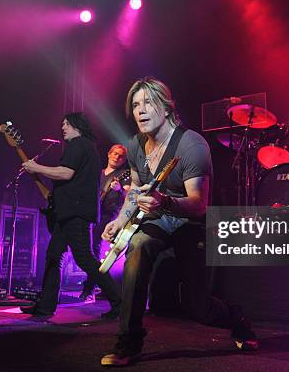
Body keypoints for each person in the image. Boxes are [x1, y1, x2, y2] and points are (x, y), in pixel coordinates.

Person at [100, 77, 259, 366]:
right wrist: (121, 221)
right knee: (138, 246)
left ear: (167, 106)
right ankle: (129, 343)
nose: (140, 110)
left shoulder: (191, 145)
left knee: (197, 308)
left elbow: (199, 204)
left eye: (148, 102)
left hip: (188, 220)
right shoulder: (135, 145)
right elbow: (135, 191)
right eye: (136, 105)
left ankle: (237, 319)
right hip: (156, 220)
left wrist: (166, 201)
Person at [20, 112, 121, 319]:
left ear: (77, 126)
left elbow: (66, 173)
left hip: (76, 213)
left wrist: (36, 167)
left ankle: (119, 303)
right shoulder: (87, 148)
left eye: (66, 124)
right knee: (53, 256)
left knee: (84, 258)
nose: (63, 127)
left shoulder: (78, 144)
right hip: (68, 212)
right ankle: (46, 307)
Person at [79, 144, 131, 300]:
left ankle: (91, 287)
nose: (117, 157)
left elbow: (130, 196)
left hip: (109, 216)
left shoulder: (124, 174)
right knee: (88, 250)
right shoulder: (99, 173)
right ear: (109, 154)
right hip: (93, 214)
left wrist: (119, 190)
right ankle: (97, 285)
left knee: (95, 250)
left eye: (121, 156)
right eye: (115, 154)